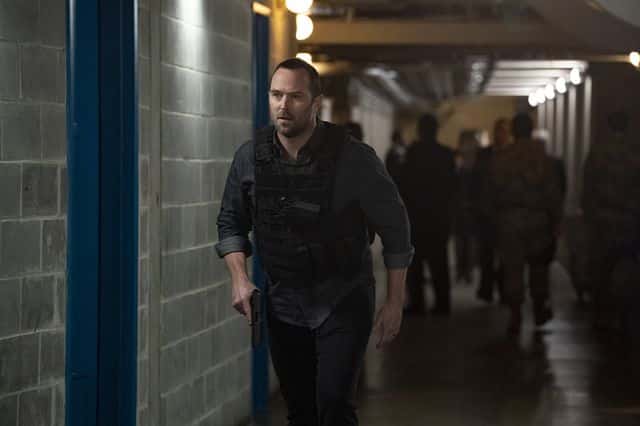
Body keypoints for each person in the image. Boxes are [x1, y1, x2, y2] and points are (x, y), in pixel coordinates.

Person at [215, 58, 413, 426]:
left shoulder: (354, 158)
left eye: (295, 97)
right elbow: (230, 222)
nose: (283, 106)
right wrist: (239, 278)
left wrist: (395, 301)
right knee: (300, 411)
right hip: (284, 300)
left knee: (334, 403)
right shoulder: (250, 158)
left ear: (316, 102)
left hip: (343, 296)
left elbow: (396, 229)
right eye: (276, 95)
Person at [488, 113, 563, 334]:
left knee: (513, 268)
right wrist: (556, 221)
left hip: (509, 220)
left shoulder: (501, 159)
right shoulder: (545, 159)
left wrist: (493, 222)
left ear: (513, 131)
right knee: (539, 266)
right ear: (532, 130)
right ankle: (539, 306)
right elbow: (554, 194)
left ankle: (515, 314)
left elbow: (491, 193)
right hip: (538, 220)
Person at [582, 110, 640, 331]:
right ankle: (626, 313)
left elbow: (588, 187)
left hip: (602, 220)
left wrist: (588, 214)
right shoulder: (635, 153)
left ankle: (602, 313)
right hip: (629, 220)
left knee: (601, 268)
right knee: (628, 266)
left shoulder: (598, 154)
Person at [401, 113, 457, 315]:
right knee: (439, 262)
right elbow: (453, 187)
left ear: (420, 130)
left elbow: (404, 184)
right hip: (439, 217)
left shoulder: (413, 153)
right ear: (436, 130)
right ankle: (443, 303)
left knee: (415, 265)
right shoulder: (446, 154)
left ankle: (418, 304)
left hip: (416, 217)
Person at [475, 118, 510, 303]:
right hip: (486, 212)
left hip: (505, 213)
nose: (500, 134)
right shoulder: (484, 154)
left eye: (504, 131)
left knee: (505, 256)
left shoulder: (513, 155)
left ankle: (504, 290)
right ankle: (487, 289)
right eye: (498, 130)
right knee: (486, 255)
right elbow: (476, 181)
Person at [454, 130, 481, 285]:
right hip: (461, 208)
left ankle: (466, 270)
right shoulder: (457, 161)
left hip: (470, 208)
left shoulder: (475, 163)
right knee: (462, 241)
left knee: (468, 242)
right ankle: (462, 270)